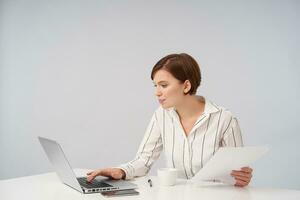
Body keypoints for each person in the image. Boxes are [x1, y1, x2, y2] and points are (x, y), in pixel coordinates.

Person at [87, 53, 253, 187]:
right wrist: (120, 171)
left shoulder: (224, 119)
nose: (157, 92)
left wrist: (242, 178)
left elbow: (238, 173)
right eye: (155, 86)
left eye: (164, 85)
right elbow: (144, 160)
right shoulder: (161, 115)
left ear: (186, 86)